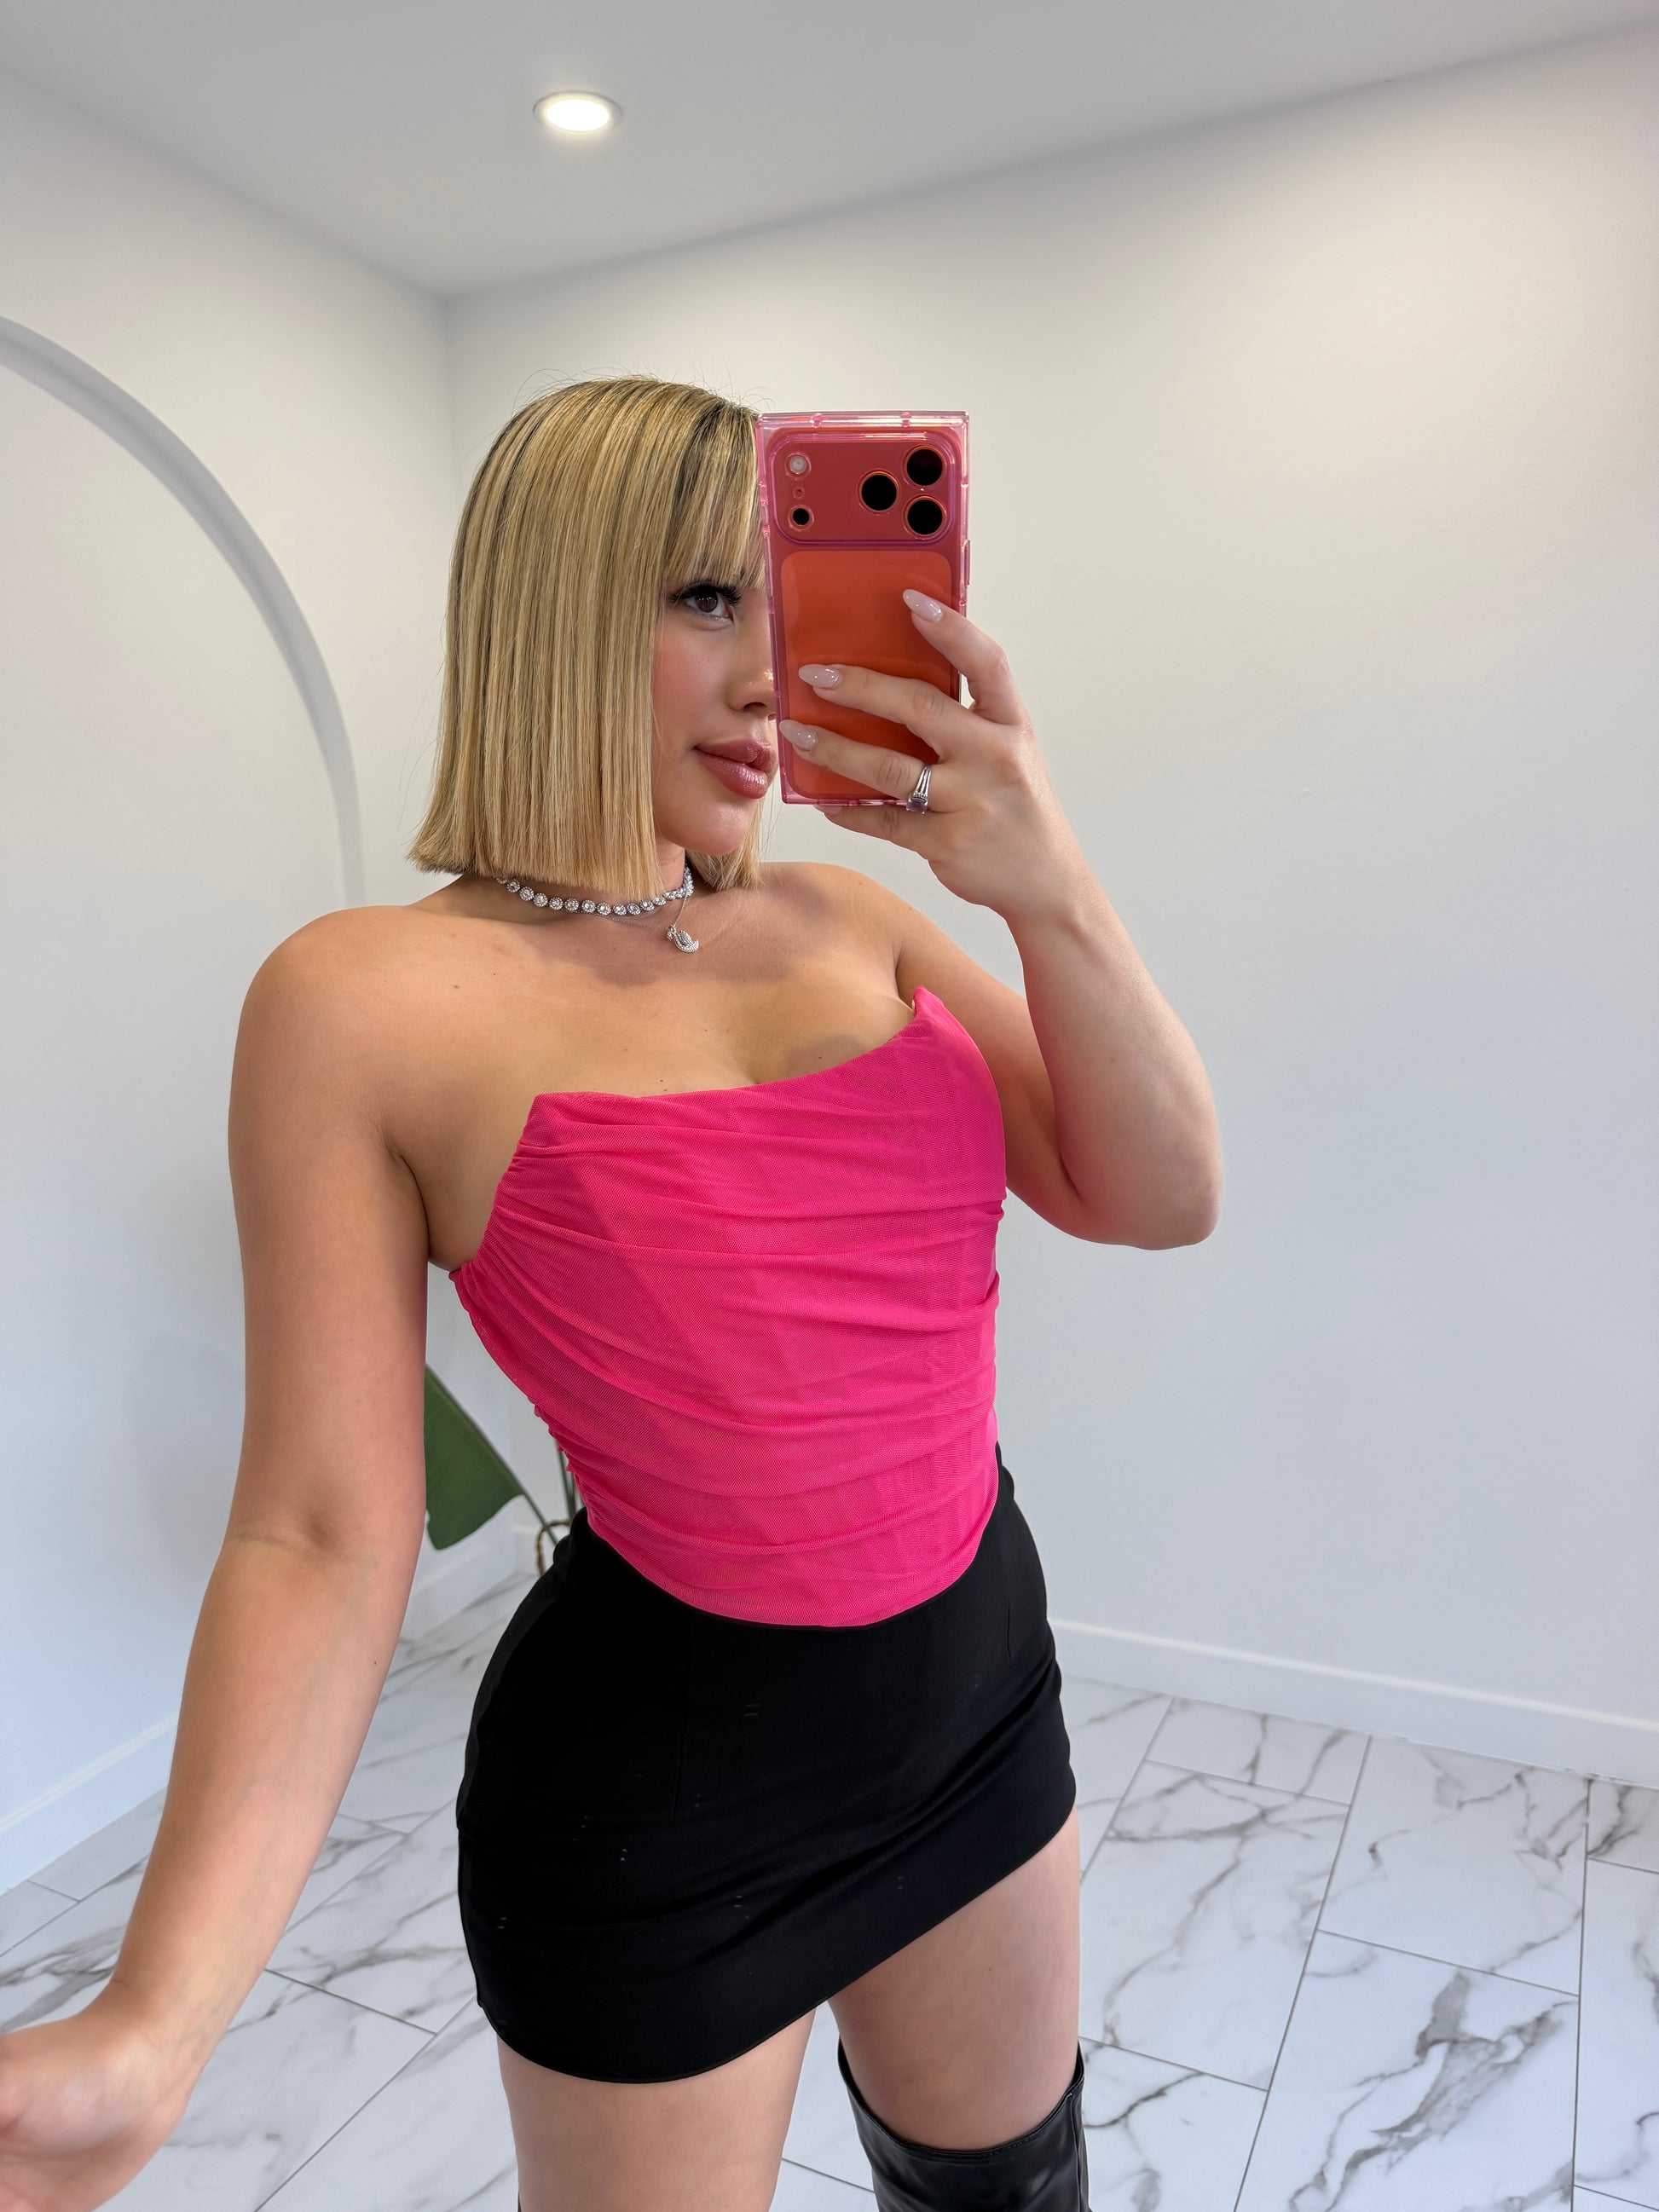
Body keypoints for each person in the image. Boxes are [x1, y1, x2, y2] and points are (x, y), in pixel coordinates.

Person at [0, 375, 1222, 2212]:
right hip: (661, 1804)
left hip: (979, 1701)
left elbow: (1160, 1195)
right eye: (707, 599)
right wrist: (153, 2024)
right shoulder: (358, 1001)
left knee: (1011, 2195)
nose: (771, 675)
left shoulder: (853, 920)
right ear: (553, 605)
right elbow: (323, 1525)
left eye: (789, 603)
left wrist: (1050, 888)